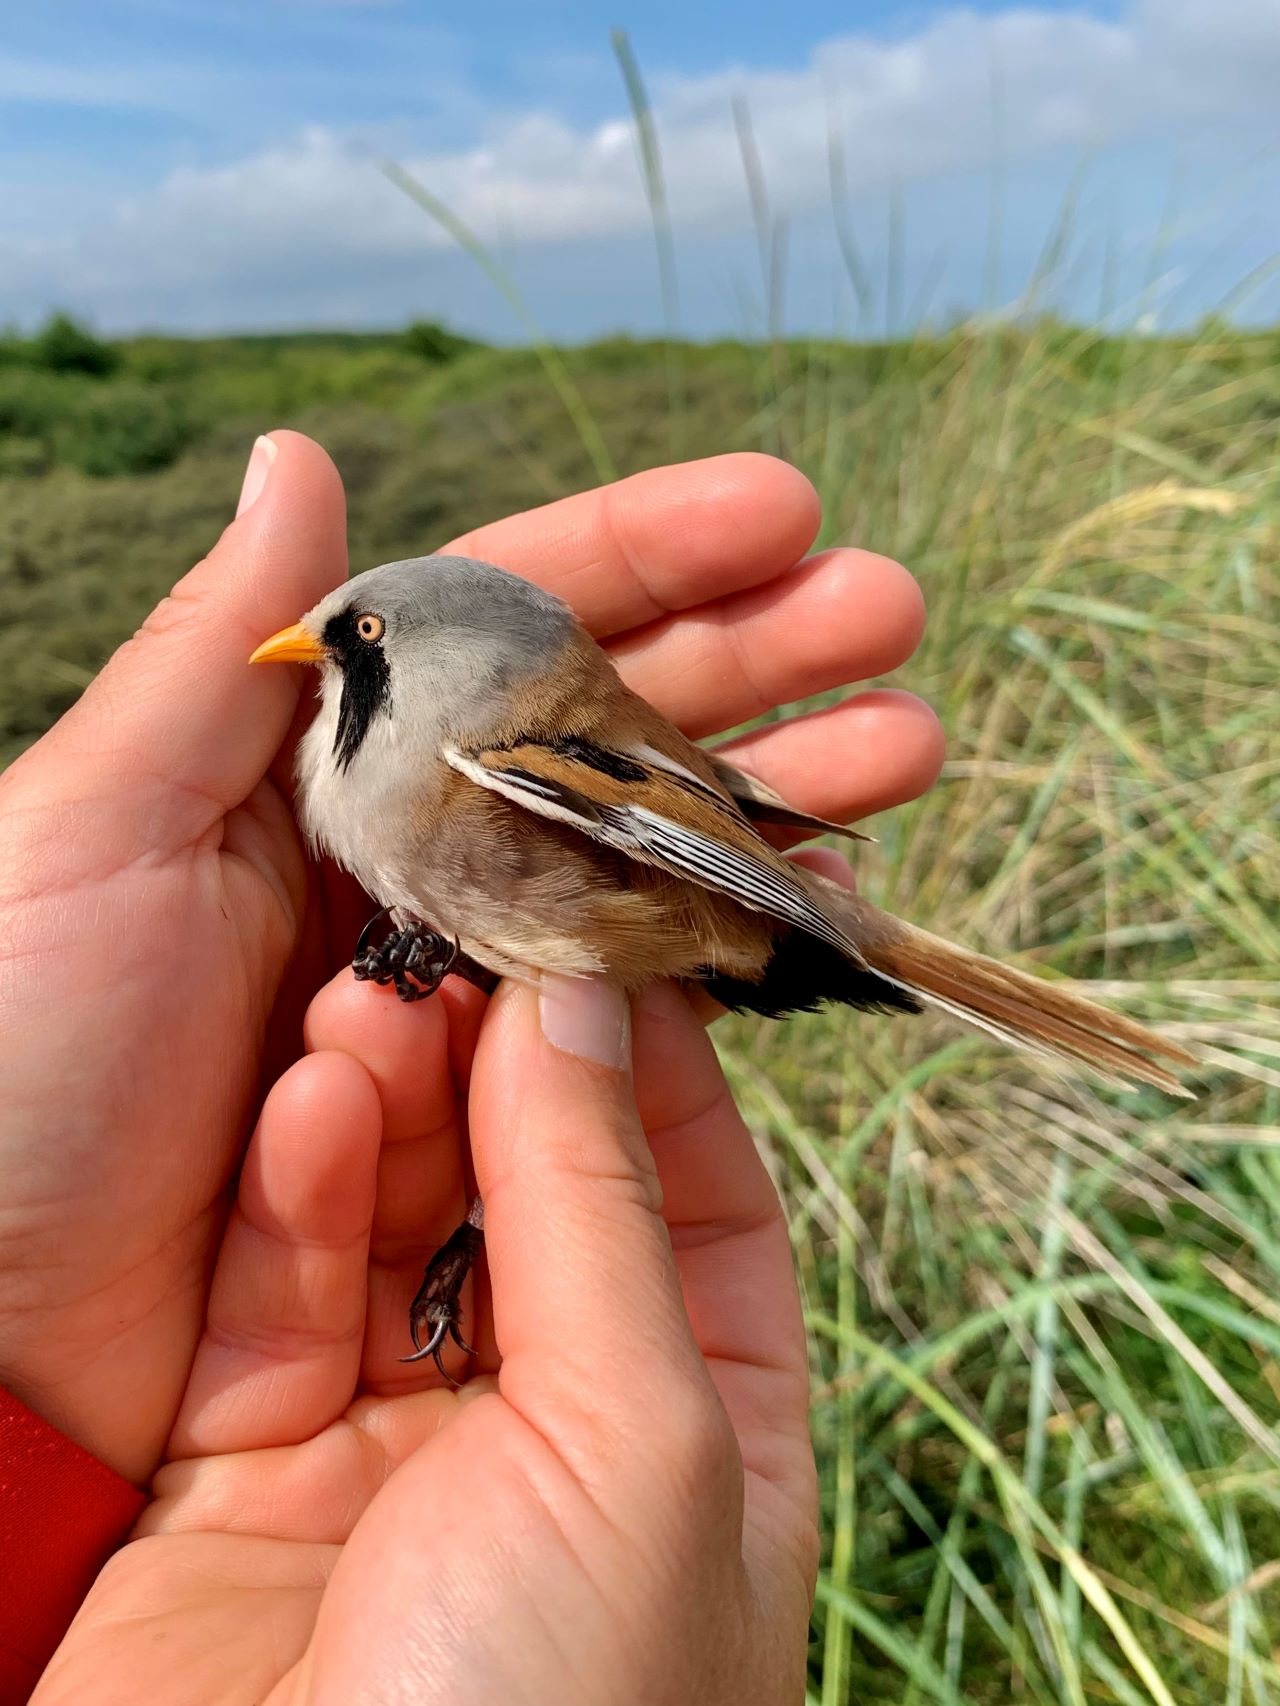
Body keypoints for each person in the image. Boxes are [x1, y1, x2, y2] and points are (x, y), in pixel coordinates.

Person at [0, 433, 942, 1704]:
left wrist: (786, 906)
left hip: (643, 926)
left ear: (412, 650)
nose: (316, 647)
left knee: (506, 1091)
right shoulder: (384, 759)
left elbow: (671, 825)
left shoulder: (482, 743)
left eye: (359, 628)